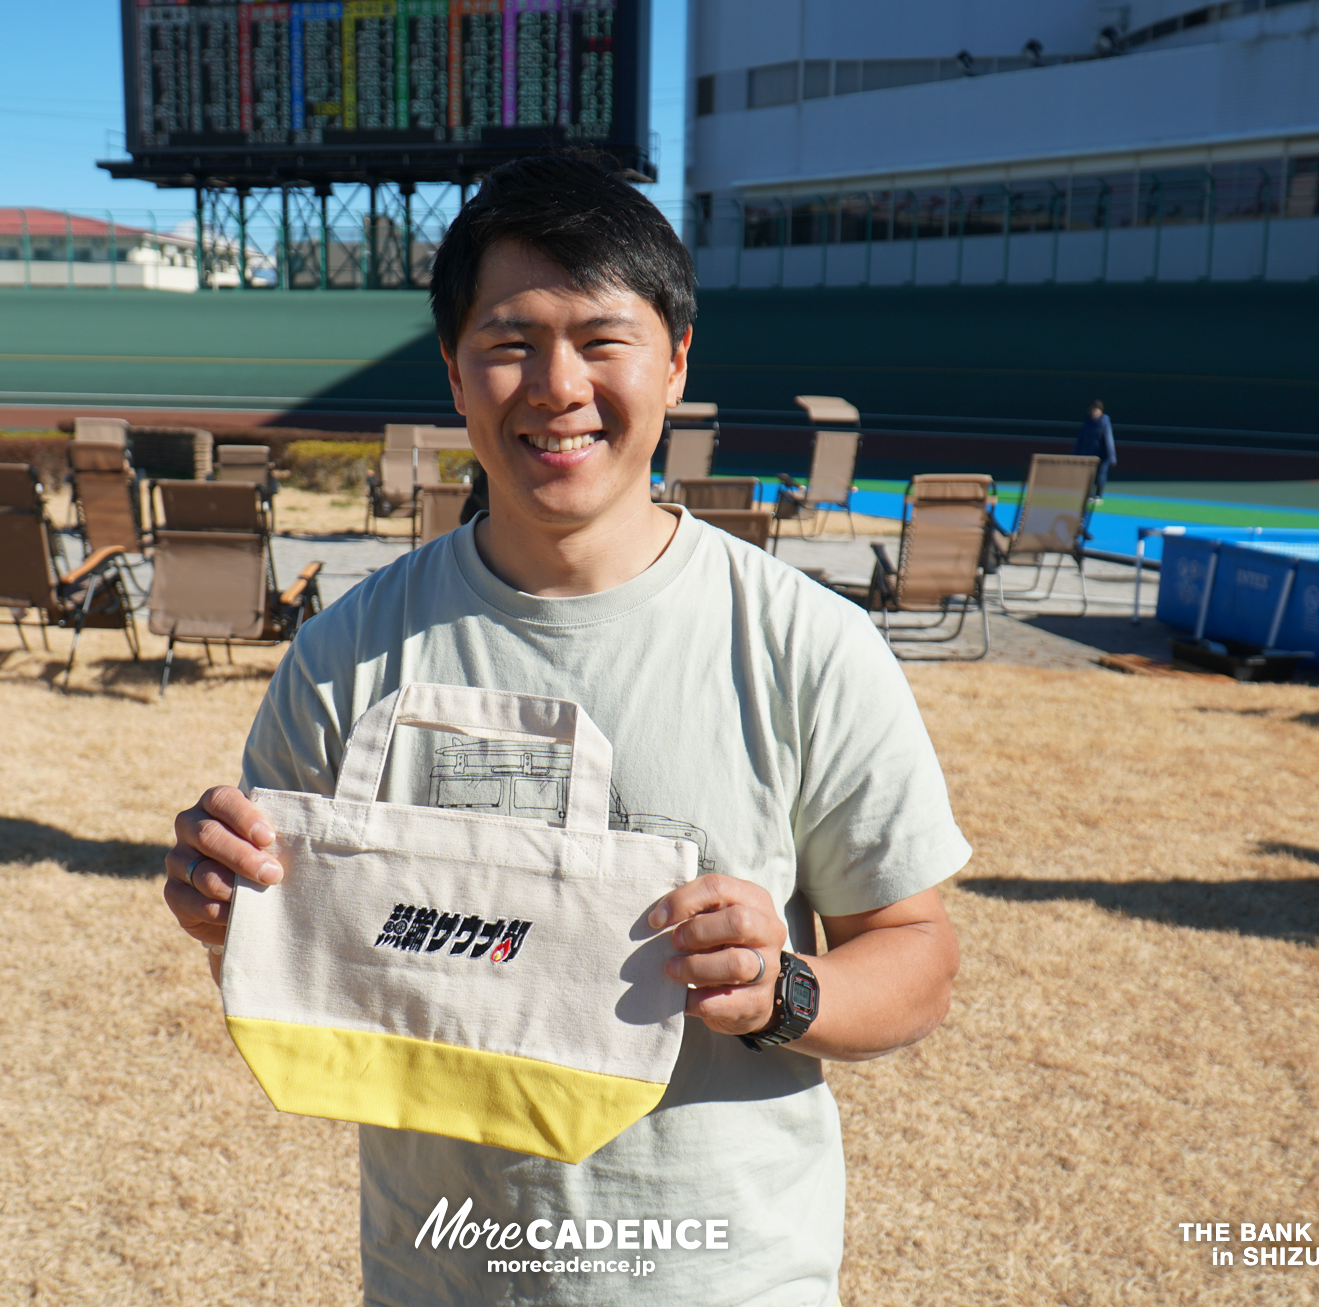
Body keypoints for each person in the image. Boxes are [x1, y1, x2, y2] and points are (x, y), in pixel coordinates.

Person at [164, 154, 969, 1307]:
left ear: (676, 358)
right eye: (508, 342)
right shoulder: (348, 651)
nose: (556, 384)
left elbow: (918, 952)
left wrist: (786, 987)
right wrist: (220, 900)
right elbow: (296, 936)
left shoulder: (806, 644)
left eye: (602, 338)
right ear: (451, 371)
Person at [1072, 399, 1116, 497]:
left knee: (1100, 476)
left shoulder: (1104, 422)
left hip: (1101, 456)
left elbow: (1108, 440)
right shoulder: (1087, 423)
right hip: (1088, 454)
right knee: (1087, 476)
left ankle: (1098, 495)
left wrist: (1111, 457)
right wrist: (1075, 454)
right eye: (1093, 410)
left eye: (1097, 410)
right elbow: (1081, 440)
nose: (1094, 412)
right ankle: (1088, 494)